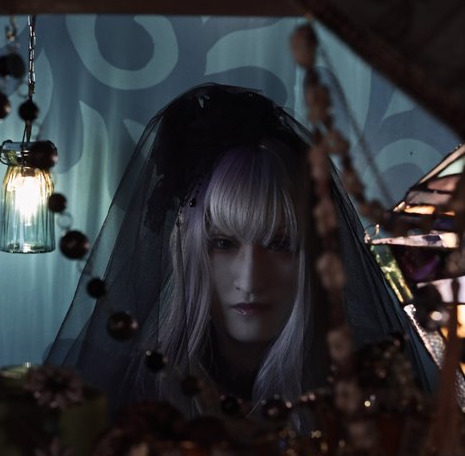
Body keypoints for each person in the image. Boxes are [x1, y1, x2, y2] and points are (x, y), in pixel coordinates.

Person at [48, 82, 435, 418]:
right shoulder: (139, 391)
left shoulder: (365, 387)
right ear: (186, 249)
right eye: (223, 244)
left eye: (280, 244)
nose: (250, 279)